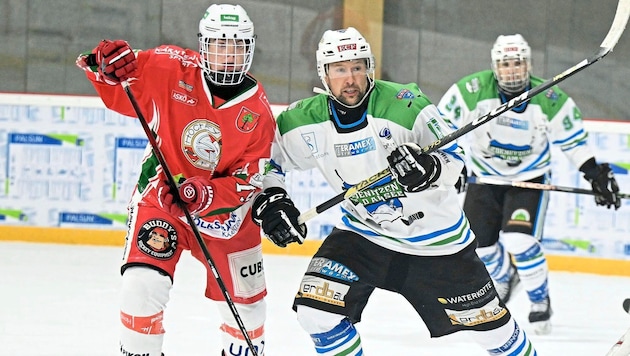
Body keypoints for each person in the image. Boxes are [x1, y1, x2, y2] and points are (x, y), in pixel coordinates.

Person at [251, 27, 538, 355]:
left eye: (357, 67)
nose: (350, 79)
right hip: (363, 236)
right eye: (339, 70)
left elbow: (456, 164)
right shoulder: (301, 121)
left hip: (435, 242)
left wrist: (428, 169)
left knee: (495, 336)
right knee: (315, 315)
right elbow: (268, 165)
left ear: (369, 68)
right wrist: (273, 199)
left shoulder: (407, 105)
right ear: (324, 73)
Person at [76, 4, 274, 356]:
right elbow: (119, 71)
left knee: (248, 313)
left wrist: (206, 193)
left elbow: (248, 180)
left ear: (250, 49)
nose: (228, 55)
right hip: (163, 200)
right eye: (218, 45)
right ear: (203, 46)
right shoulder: (170, 67)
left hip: (228, 217)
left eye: (237, 46)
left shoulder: (258, 112)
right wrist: (104, 61)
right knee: (140, 285)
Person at [437, 33, 621, 335]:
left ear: (529, 65)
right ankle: (506, 275)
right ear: (495, 67)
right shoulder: (471, 90)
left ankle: (540, 299)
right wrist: (450, 163)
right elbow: (442, 127)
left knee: (520, 240)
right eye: (506, 64)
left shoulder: (548, 97)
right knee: (478, 246)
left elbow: (572, 140)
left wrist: (594, 173)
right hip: (485, 176)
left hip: (529, 179)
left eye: (518, 63)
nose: (512, 70)